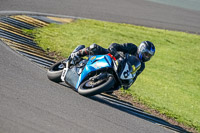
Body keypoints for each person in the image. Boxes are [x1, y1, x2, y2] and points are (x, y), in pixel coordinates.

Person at [70, 41, 155, 92]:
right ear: (140, 49)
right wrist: (114, 51)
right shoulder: (132, 47)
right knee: (94, 48)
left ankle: (98, 82)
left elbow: (134, 75)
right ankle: (77, 54)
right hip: (113, 58)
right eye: (146, 54)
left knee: (112, 89)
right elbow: (116, 45)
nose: (146, 57)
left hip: (119, 73)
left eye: (149, 56)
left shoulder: (142, 66)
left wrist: (128, 84)